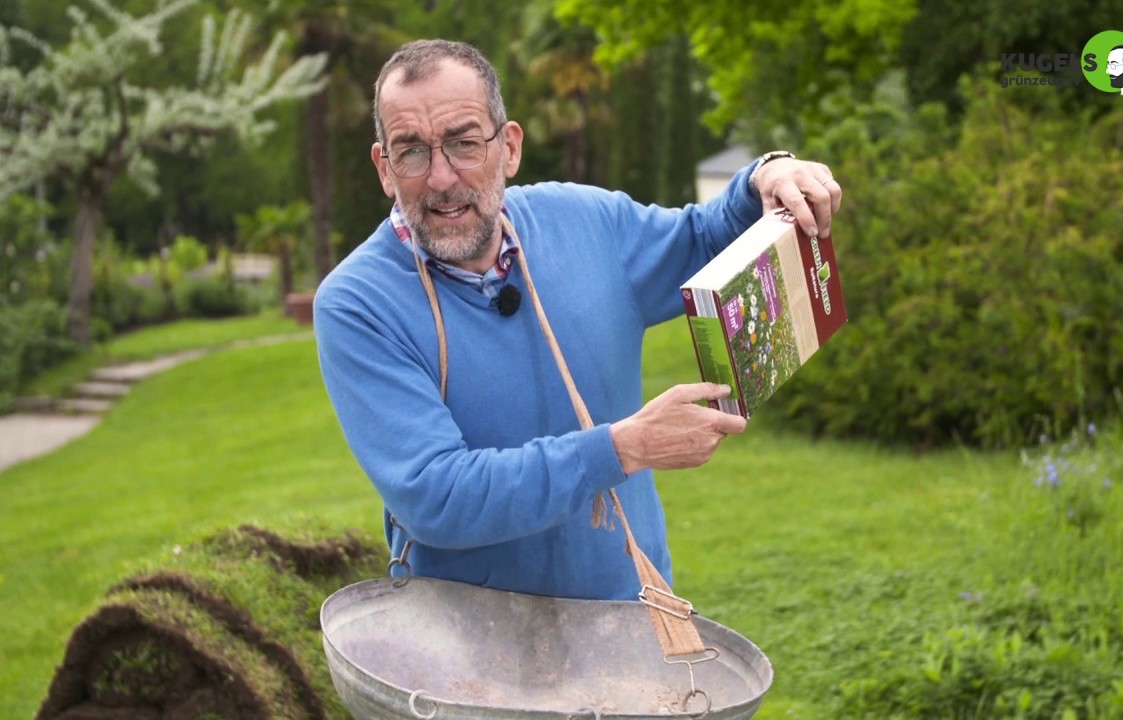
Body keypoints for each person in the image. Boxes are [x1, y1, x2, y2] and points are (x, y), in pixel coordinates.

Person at [314, 39, 840, 602]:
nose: (441, 177)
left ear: (509, 147)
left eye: (464, 143)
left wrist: (769, 173)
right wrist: (622, 448)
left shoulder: (586, 222)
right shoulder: (358, 302)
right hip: (469, 654)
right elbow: (437, 499)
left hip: (632, 619)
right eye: (411, 151)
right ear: (384, 168)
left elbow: (704, 237)